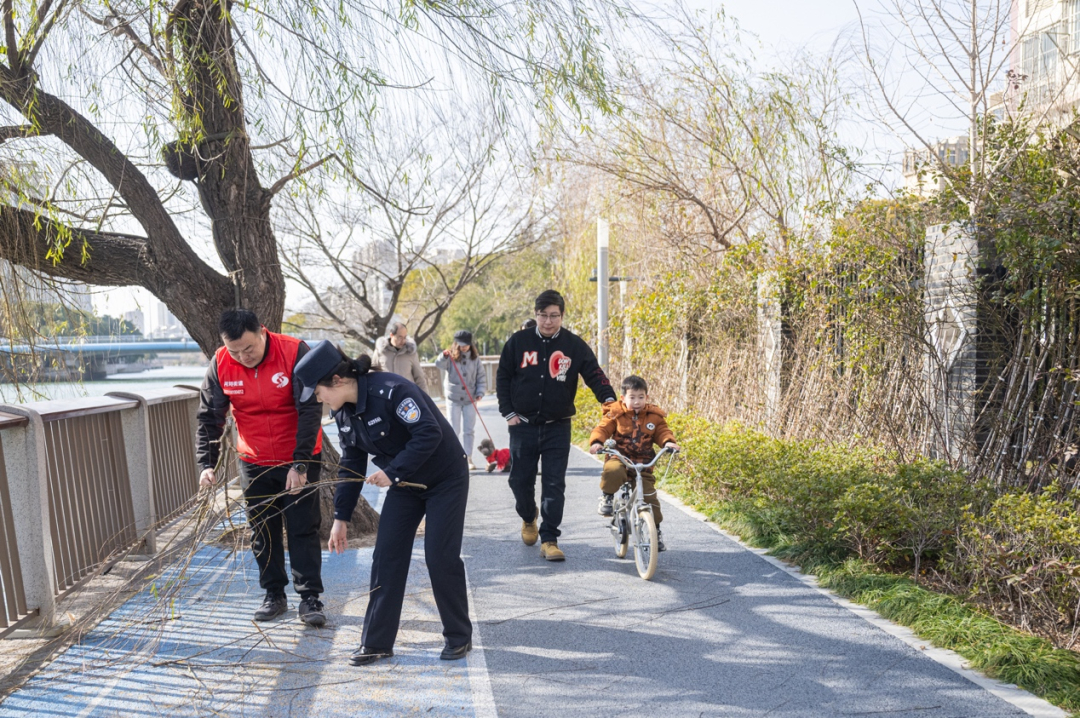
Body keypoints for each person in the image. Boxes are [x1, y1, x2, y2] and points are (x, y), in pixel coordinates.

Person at [294, 341, 472, 666]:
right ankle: (376, 643)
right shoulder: (342, 412)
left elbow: (428, 433)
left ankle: (459, 636)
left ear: (336, 380)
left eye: (318, 392)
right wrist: (340, 518)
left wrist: (392, 472)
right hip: (405, 484)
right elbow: (351, 464)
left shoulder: (392, 391)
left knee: (439, 557)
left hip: (445, 479)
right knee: (387, 556)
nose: (318, 400)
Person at [195, 309, 326, 626]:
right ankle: (274, 594)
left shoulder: (294, 352)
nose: (243, 357)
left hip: (298, 455)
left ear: (263, 333)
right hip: (254, 460)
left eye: (248, 348)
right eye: (235, 351)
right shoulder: (221, 363)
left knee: (302, 527)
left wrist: (300, 463)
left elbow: (310, 410)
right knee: (262, 530)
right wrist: (207, 463)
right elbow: (210, 416)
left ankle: (309, 598)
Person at [496, 289, 617, 561]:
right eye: (543, 315)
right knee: (519, 480)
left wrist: (609, 399)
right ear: (536, 314)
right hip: (522, 425)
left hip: (557, 426)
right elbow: (503, 377)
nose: (548, 321)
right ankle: (529, 516)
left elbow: (594, 374)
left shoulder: (574, 345)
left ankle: (549, 539)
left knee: (554, 484)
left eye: (554, 316)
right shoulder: (518, 342)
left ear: (562, 315)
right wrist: (508, 412)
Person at [589, 375, 680, 552]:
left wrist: (668, 442)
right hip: (620, 458)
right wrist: (597, 442)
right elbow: (603, 428)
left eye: (640, 397)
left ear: (646, 397)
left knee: (650, 498)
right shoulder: (616, 413)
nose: (637, 402)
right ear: (623, 398)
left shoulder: (654, 416)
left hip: (643, 464)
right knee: (613, 471)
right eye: (632, 397)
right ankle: (607, 496)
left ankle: (655, 531)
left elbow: (663, 432)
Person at [435, 330, 486, 469]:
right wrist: (443, 356)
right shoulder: (450, 357)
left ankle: (468, 457)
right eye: (461, 344)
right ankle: (453, 457)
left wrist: (480, 392)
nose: (464, 347)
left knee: (469, 430)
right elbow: (439, 364)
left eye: (467, 344)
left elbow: (481, 377)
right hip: (453, 398)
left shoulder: (475, 359)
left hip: (470, 398)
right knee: (453, 429)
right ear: (456, 343)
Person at [373, 320, 427, 391]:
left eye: (404, 337)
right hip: (386, 395)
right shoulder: (380, 351)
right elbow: (372, 375)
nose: (403, 341)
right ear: (391, 335)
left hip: (407, 394)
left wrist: (425, 397)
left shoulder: (411, 353)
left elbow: (420, 378)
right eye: (400, 337)